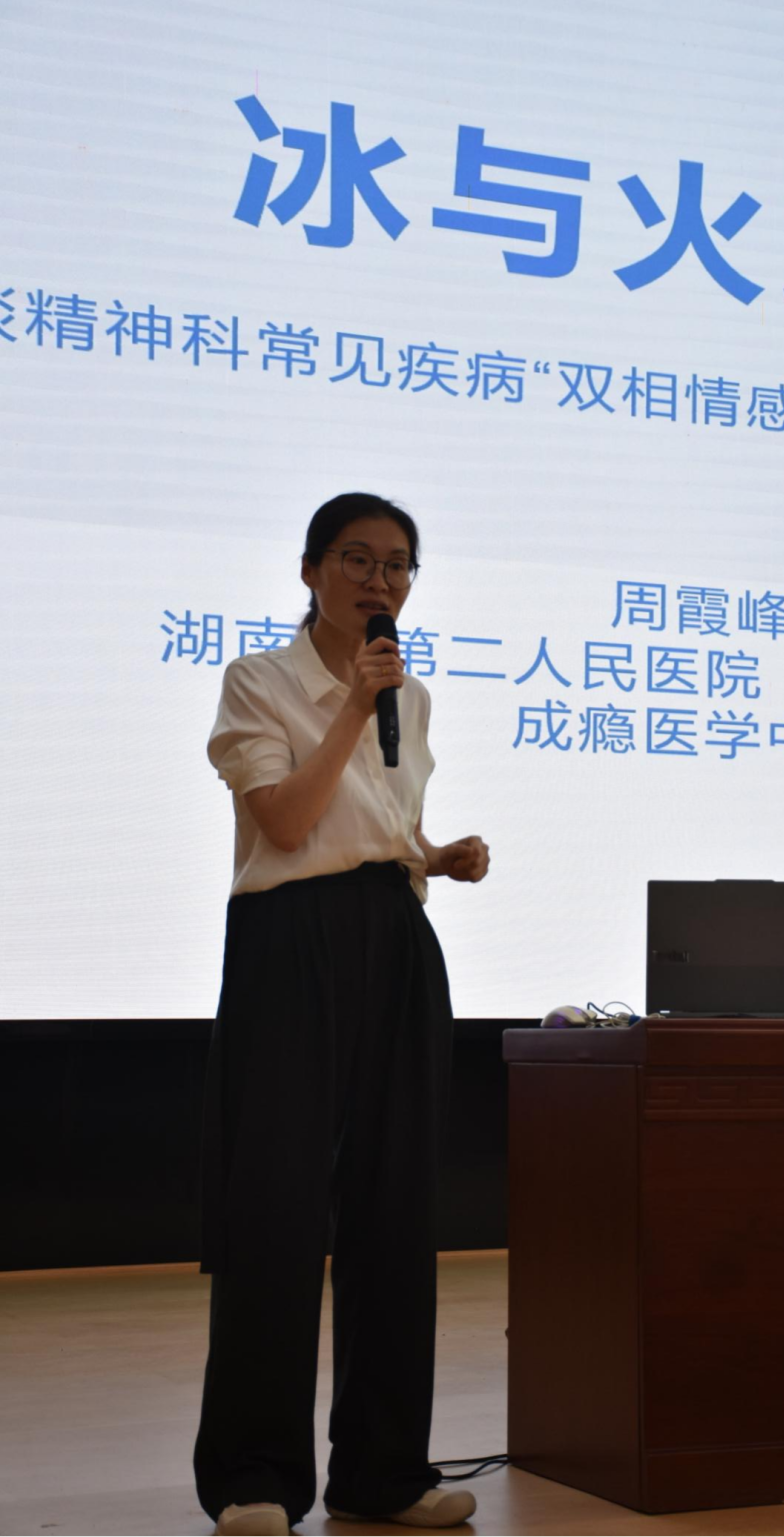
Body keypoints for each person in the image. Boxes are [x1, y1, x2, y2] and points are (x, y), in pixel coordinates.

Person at [193, 492, 490, 1537]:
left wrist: (434, 856)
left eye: (398, 564)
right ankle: (255, 1476)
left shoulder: (412, 696)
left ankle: (383, 1469)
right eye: (358, 559)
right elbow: (285, 823)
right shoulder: (261, 681)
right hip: (290, 942)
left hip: (394, 935)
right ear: (311, 570)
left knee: (396, 1206)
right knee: (273, 1204)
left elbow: (376, 826)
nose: (380, 581)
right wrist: (354, 708)